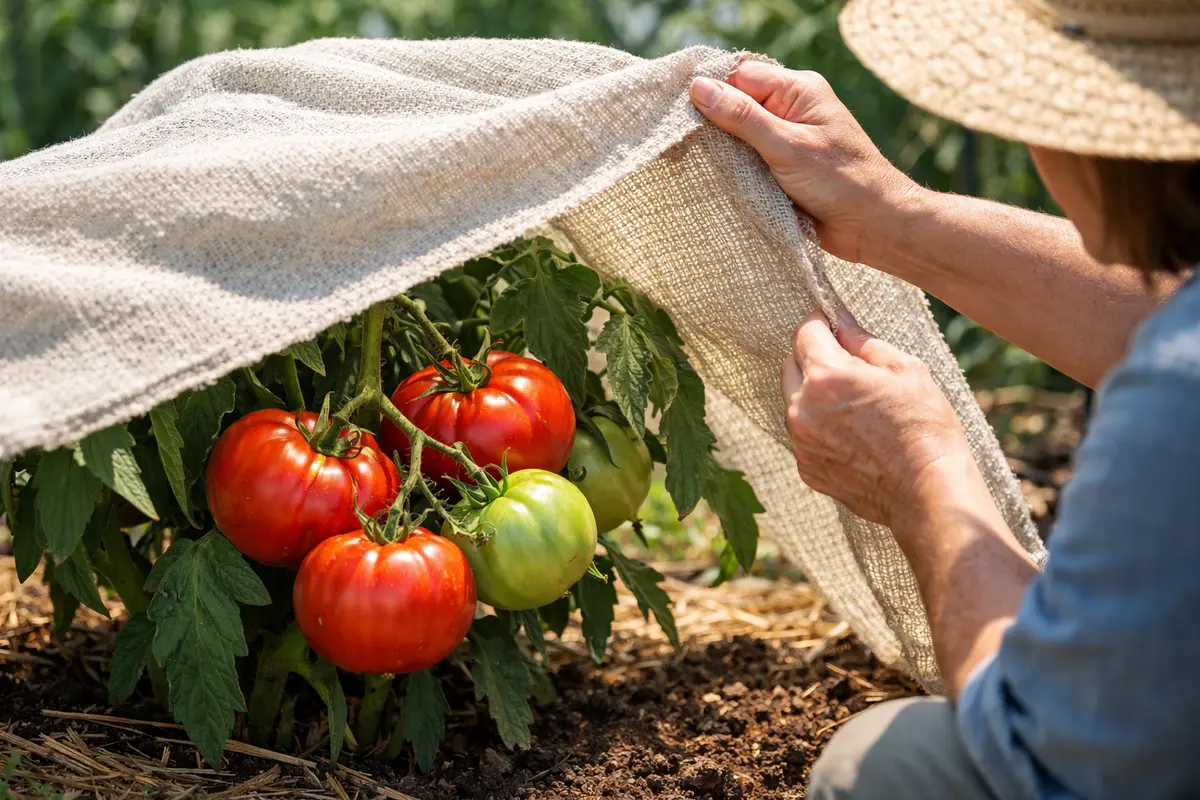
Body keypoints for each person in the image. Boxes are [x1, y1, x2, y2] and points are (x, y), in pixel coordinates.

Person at [689, 0, 1200, 798]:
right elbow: (1167, 307)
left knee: (885, 770)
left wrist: (920, 472)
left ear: (1096, 137)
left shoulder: (1178, 395)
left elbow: (1046, 737)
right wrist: (889, 216)